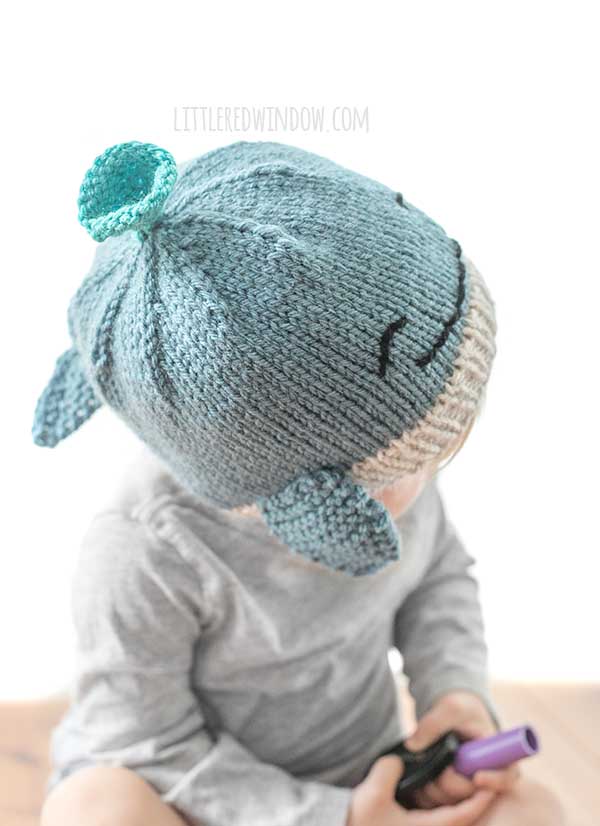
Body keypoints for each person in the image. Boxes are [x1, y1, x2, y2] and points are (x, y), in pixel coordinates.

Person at [34, 140, 564, 826]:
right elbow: (144, 742)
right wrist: (331, 817)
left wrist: (452, 695)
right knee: (94, 811)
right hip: (193, 795)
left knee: (538, 812)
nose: (427, 474)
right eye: (406, 462)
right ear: (307, 499)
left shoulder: (392, 475)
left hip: (367, 779)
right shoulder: (143, 551)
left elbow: (438, 576)